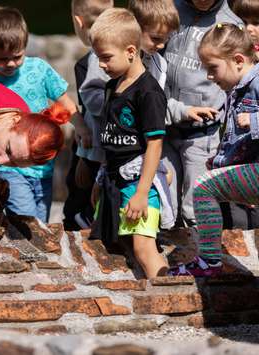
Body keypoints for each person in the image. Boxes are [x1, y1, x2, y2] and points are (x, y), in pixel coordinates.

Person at [169, 23, 259, 276]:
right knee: (211, 183)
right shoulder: (237, 90)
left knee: (203, 187)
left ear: (238, 60)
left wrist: (254, 121)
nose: (209, 76)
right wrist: (221, 164)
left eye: (213, 68)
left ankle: (209, 261)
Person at [0, 6, 85, 223]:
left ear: (25, 45)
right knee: (26, 221)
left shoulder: (38, 69)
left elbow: (64, 104)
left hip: (42, 166)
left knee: (41, 223)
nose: (10, 63)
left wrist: (82, 128)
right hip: (9, 167)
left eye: (16, 56)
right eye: (2, 58)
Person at [89, 8, 169, 278]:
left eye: (106, 57)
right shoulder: (113, 85)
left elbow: (155, 145)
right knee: (116, 245)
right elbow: (111, 138)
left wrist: (142, 193)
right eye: (98, 58)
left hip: (138, 182)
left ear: (131, 51)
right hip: (112, 181)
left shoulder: (148, 93)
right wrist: (100, 179)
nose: (101, 64)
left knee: (144, 248)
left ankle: (168, 297)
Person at [162, 0, 242, 227]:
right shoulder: (171, 9)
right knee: (164, 198)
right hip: (166, 123)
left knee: (195, 203)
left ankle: (201, 255)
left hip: (202, 133)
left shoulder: (230, 23)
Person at [63, 0, 113, 230]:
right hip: (117, 148)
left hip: (94, 151)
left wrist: (84, 156)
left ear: (78, 21)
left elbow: (97, 115)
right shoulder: (129, 55)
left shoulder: (89, 63)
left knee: (77, 207)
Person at [128, 0, 179, 90]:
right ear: (135, 26)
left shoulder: (160, 65)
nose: (162, 46)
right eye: (156, 38)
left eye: (167, 38)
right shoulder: (112, 55)